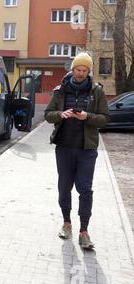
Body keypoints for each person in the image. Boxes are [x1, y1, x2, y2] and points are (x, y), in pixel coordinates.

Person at [44, 52, 109, 249]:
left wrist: (88, 116)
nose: (81, 73)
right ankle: (66, 223)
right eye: (78, 69)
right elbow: (48, 115)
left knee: (85, 189)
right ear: (72, 70)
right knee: (64, 188)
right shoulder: (60, 90)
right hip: (64, 147)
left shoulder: (96, 91)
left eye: (85, 70)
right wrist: (60, 114)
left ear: (89, 72)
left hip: (86, 150)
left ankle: (84, 231)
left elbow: (105, 118)